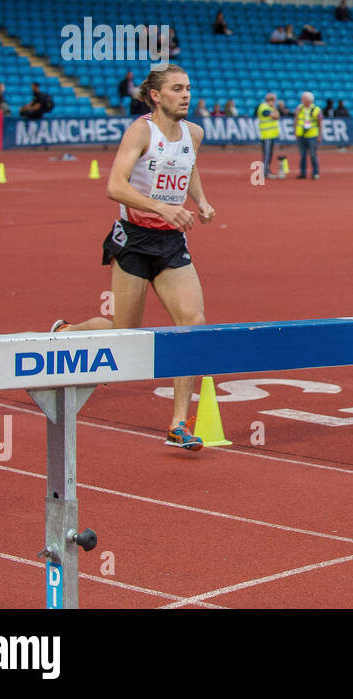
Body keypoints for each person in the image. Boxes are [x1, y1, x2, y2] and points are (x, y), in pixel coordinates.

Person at [50, 63, 215, 449]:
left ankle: (178, 423)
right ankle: (67, 332)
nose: (186, 94)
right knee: (127, 333)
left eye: (189, 87)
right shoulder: (141, 131)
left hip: (171, 241)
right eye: (177, 88)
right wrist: (161, 207)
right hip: (134, 239)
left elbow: (188, 167)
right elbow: (114, 186)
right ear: (156, 96)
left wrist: (202, 200)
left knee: (192, 323)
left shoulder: (195, 132)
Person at [295, 91, 322, 179]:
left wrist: (319, 135)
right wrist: (296, 131)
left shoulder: (316, 109)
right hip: (301, 135)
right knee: (302, 155)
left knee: (313, 155)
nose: (302, 100)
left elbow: (320, 123)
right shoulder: (299, 108)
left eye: (304, 98)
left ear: (308, 100)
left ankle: (315, 172)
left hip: (312, 135)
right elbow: (296, 120)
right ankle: (303, 173)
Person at [256, 92, 282, 179]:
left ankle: (267, 170)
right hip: (266, 135)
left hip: (271, 135)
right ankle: (265, 171)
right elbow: (273, 115)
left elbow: (277, 116)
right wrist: (274, 111)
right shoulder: (263, 107)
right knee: (267, 154)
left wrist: (274, 110)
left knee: (270, 154)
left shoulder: (271, 107)